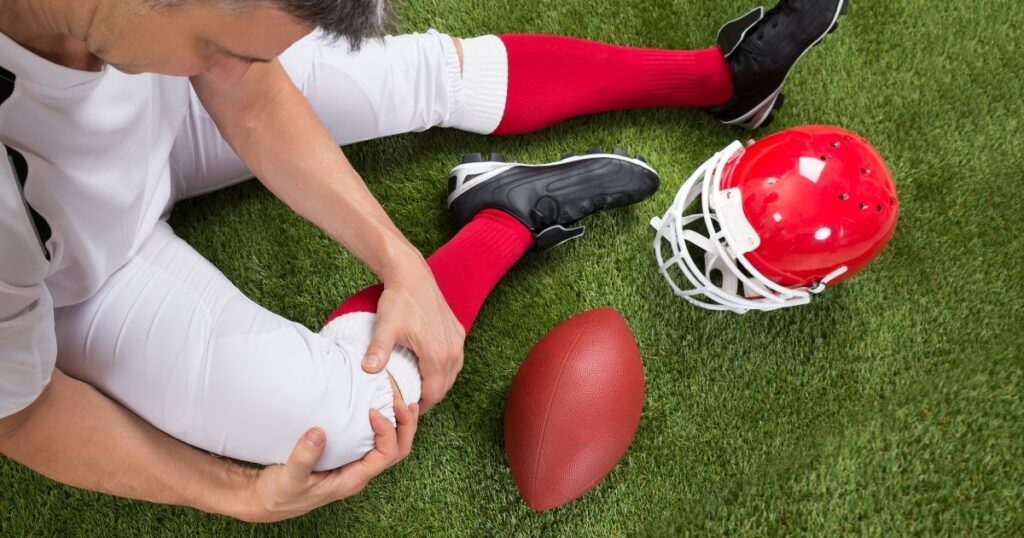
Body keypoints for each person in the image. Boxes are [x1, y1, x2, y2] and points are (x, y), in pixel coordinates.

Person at [0, 0, 846, 522]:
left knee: (419, 72)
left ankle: (721, 80)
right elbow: (18, 414)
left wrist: (400, 260)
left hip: (152, 86)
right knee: (341, 421)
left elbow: (240, 85)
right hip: (83, 267)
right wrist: (230, 493)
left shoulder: (183, 43)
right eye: (229, 44)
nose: (251, 69)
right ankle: (507, 217)